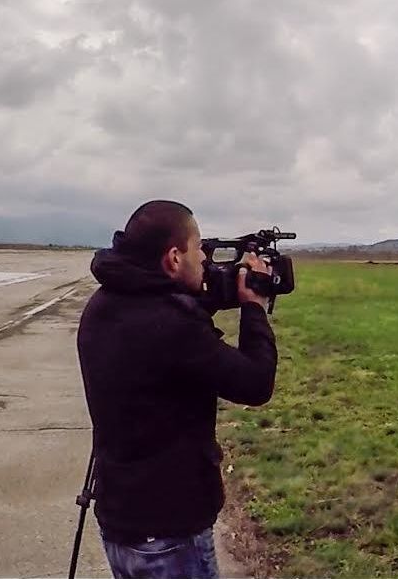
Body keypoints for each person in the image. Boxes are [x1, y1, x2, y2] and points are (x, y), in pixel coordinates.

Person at [75, 200, 277, 579]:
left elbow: (169, 317)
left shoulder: (103, 305)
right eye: (198, 248)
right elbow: (255, 383)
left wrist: (211, 294)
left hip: (122, 523)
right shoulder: (171, 327)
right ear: (173, 258)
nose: (205, 259)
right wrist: (253, 306)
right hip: (170, 534)